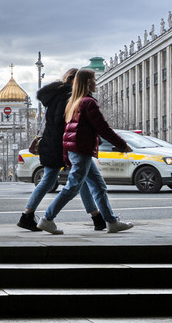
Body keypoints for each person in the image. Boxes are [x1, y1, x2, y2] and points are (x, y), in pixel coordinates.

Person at [37, 69, 135, 235]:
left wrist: (67, 154)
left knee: (98, 186)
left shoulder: (74, 102)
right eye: (94, 80)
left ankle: (111, 222)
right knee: (73, 187)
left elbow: (67, 131)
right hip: (82, 150)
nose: (96, 83)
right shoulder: (88, 103)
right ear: (88, 82)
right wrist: (122, 144)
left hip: (78, 150)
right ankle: (47, 218)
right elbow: (103, 128)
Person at [17, 69, 106, 232]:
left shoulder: (56, 95)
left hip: (52, 142)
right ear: (75, 81)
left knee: (75, 179)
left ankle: (97, 217)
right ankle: (28, 216)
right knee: (61, 179)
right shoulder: (67, 97)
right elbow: (63, 123)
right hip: (62, 144)